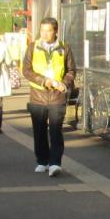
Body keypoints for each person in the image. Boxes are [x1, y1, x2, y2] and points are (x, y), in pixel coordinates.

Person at [22, 17, 76, 177]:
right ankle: (42, 160)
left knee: (55, 130)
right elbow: (26, 70)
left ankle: (55, 163)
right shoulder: (33, 47)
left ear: (55, 31)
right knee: (39, 131)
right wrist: (44, 81)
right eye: (42, 30)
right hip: (37, 95)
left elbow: (71, 70)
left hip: (57, 96)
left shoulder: (64, 48)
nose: (45, 34)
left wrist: (64, 84)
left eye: (48, 30)